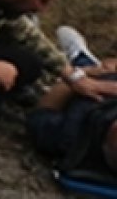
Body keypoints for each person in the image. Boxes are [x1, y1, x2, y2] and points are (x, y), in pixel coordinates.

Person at [26, 52, 117, 185]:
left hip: (80, 80)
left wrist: (81, 76)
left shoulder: (68, 136)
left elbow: (41, 113)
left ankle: (78, 56)